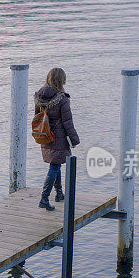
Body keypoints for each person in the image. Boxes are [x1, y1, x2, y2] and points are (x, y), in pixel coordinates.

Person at [34, 67, 80, 211]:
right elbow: (68, 123)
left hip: (45, 135)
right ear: (62, 80)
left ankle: (59, 194)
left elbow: (37, 118)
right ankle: (44, 198)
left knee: (56, 163)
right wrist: (75, 139)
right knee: (54, 166)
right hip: (58, 137)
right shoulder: (62, 99)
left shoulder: (39, 96)